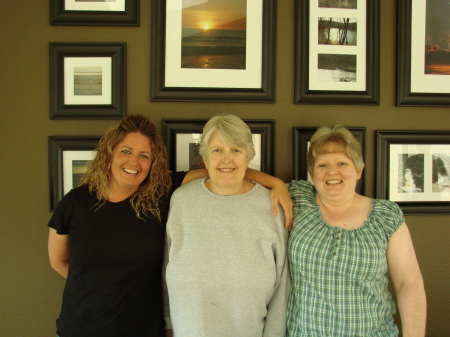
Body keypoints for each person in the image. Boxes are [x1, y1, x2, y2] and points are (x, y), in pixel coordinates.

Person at [48, 114, 292, 337]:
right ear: (109, 152)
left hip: (142, 329)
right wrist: (100, 282)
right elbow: (58, 261)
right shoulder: (76, 202)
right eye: (125, 151)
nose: (134, 162)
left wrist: (275, 184)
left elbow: (225, 171)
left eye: (144, 155)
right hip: (79, 328)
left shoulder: (161, 194)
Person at [286, 126, 426, 336]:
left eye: (342, 163)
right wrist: (275, 185)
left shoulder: (385, 216)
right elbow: (244, 177)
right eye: (322, 164)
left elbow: (409, 284)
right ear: (312, 173)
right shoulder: (297, 198)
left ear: (358, 171)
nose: (332, 172)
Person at [164, 115, 290, 337]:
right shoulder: (181, 201)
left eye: (236, 150)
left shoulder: (272, 207)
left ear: (249, 156)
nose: (226, 159)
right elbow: (166, 267)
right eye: (217, 150)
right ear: (204, 156)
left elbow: (282, 288)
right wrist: (167, 325)